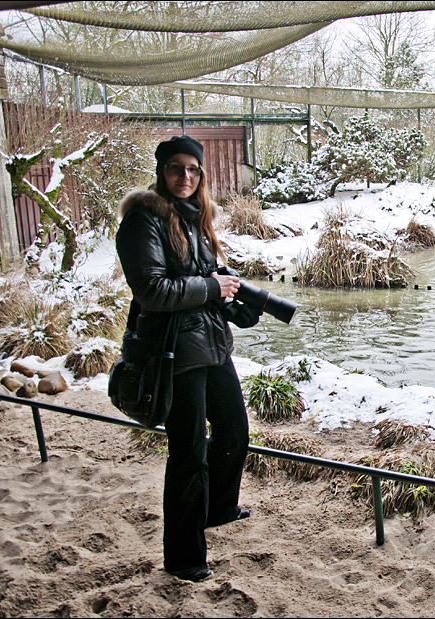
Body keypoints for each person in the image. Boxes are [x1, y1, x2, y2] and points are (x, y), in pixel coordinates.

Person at [116, 135, 262, 582]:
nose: (185, 177)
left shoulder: (197, 218)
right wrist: (212, 288)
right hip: (173, 352)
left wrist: (237, 302)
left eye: (193, 170)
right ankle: (183, 557)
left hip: (211, 344)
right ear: (162, 172)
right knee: (188, 451)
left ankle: (216, 508)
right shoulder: (144, 220)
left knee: (235, 430)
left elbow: (203, 282)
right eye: (176, 168)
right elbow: (154, 292)